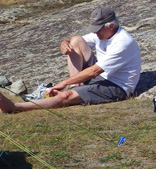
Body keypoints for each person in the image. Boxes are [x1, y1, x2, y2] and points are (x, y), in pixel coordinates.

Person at [0, 6, 141, 113]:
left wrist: (63, 83)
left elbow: (95, 71)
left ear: (110, 26)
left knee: (66, 95)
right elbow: (76, 41)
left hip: (116, 87)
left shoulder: (123, 42)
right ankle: (76, 89)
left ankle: (13, 107)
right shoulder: (103, 34)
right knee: (75, 41)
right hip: (102, 76)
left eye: (97, 29)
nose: (94, 33)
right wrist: (64, 42)